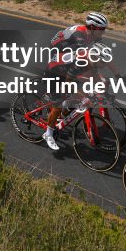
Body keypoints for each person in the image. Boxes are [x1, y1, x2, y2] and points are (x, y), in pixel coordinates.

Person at [40, 12, 109, 151]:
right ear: (93, 28)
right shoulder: (79, 36)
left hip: (70, 59)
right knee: (59, 102)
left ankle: (62, 116)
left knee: (79, 93)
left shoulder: (93, 37)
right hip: (57, 63)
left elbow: (96, 57)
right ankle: (48, 133)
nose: (104, 32)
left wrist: (100, 80)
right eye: (102, 29)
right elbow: (85, 60)